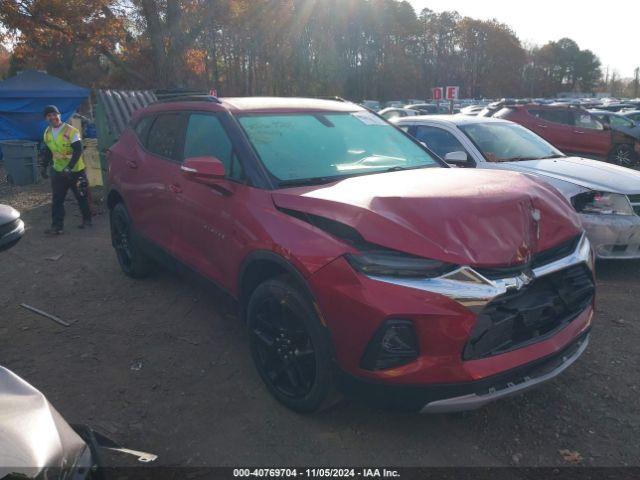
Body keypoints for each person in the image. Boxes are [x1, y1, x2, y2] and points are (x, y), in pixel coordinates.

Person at [42, 105, 92, 234]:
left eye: (54, 114)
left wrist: (69, 167)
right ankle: (57, 226)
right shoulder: (47, 132)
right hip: (58, 170)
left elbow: (78, 149)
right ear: (46, 118)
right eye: (49, 115)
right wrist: (43, 166)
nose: (53, 117)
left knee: (81, 196)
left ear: (59, 115)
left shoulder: (71, 130)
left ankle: (87, 221)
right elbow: (48, 150)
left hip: (76, 170)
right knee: (57, 199)